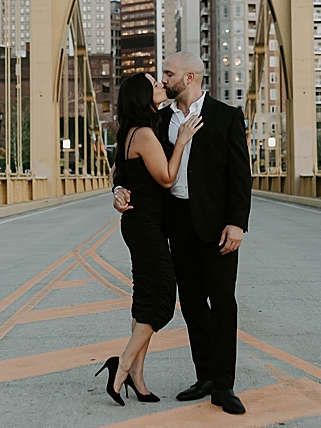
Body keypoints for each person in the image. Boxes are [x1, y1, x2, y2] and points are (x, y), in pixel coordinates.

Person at [114, 52, 254, 415]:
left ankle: (224, 386)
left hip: (219, 227)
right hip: (175, 224)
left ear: (189, 77)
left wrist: (238, 223)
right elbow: (129, 164)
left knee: (222, 302)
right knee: (191, 304)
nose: (164, 79)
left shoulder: (226, 117)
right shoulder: (158, 121)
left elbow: (241, 176)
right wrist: (118, 189)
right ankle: (204, 375)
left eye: (168, 73)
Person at [99, 73, 200, 406]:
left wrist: (117, 189)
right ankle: (122, 366)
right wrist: (183, 139)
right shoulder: (143, 134)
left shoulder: (131, 131)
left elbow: (121, 174)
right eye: (155, 84)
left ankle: (138, 378)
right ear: (144, 96)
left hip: (140, 224)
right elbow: (168, 178)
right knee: (161, 302)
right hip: (144, 226)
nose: (162, 86)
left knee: (144, 298)